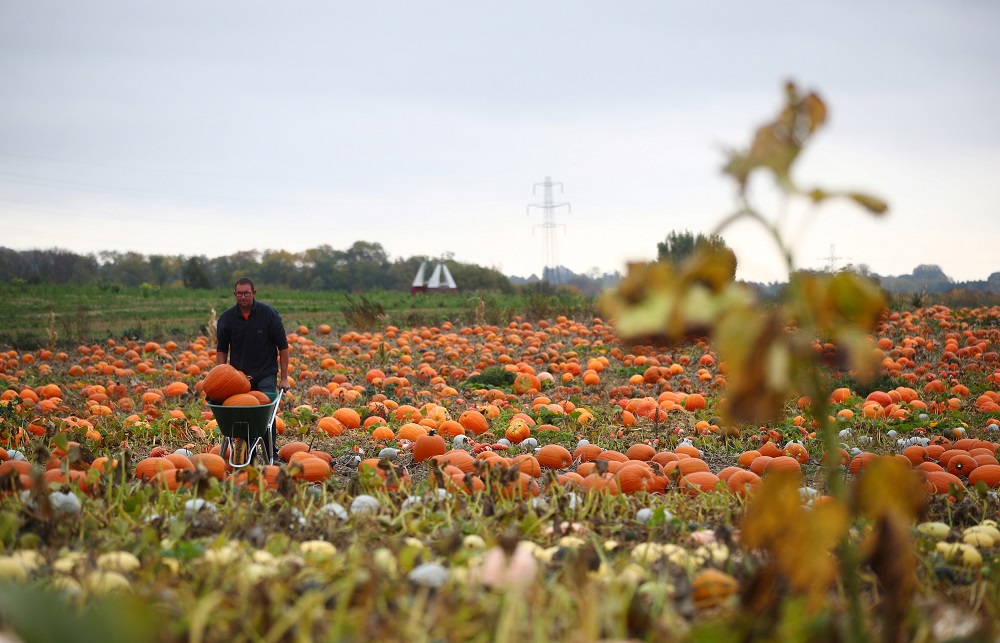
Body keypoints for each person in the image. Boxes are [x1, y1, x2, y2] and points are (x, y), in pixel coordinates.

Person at [216, 277, 290, 462]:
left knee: (265, 411)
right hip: (239, 378)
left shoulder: (268, 314)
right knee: (243, 413)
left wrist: (284, 377)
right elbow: (222, 350)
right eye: (239, 293)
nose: (243, 297)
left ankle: (270, 452)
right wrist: (221, 376)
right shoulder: (226, 319)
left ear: (254, 293)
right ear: (234, 295)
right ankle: (250, 454)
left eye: (246, 293)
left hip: (266, 373)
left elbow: (283, 347)